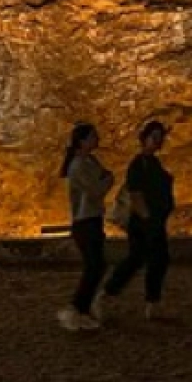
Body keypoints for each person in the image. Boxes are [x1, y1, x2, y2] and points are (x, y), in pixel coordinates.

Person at [99, 119, 175, 320]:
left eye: (160, 138)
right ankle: (111, 295)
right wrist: (149, 218)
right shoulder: (138, 164)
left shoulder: (153, 163)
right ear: (145, 139)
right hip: (145, 222)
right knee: (146, 259)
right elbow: (136, 194)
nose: (158, 142)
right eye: (155, 137)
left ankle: (146, 302)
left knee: (147, 259)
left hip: (151, 221)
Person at [56, 122, 115, 332]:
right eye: (93, 137)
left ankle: (82, 307)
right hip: (85, 221)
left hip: (92, 219)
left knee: (97, 266)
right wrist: (109, 180)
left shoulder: (88, 161)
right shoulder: (79, 165)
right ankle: (77, 309)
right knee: (94, 266)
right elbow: (96, 190)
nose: (97, 140)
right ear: (82, 141)